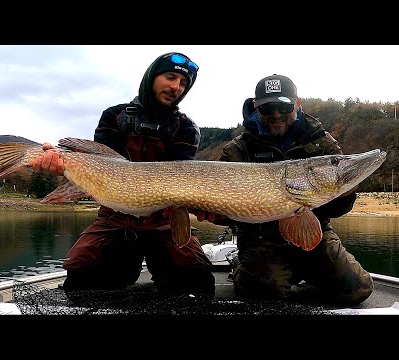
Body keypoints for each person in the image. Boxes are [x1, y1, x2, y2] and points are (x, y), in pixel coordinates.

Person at [32, 52, 215, 298]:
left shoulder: (186, 128)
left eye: (183, 83)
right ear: (151, 77)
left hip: (163, 221)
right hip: (115, 217)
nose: (176, 87)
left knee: (196, 281)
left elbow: (179, 178)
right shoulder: (115, 116)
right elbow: (100, 170)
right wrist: (61, 166)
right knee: (83, 277)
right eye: (170, 77)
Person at [196, 74, 373, 306]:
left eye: (283, 106)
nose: (276, 114)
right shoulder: (238, 149)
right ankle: (242, 264)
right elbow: (230, 212)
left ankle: (303, 272)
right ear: (256, 108)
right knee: (264, 293)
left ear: (297, 104)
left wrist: (347, 191)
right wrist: (214, 214)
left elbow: (337, 209)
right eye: (269, 108)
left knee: (357, 289)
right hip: (260, 240)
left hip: (315, 233)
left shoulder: (321, 142)